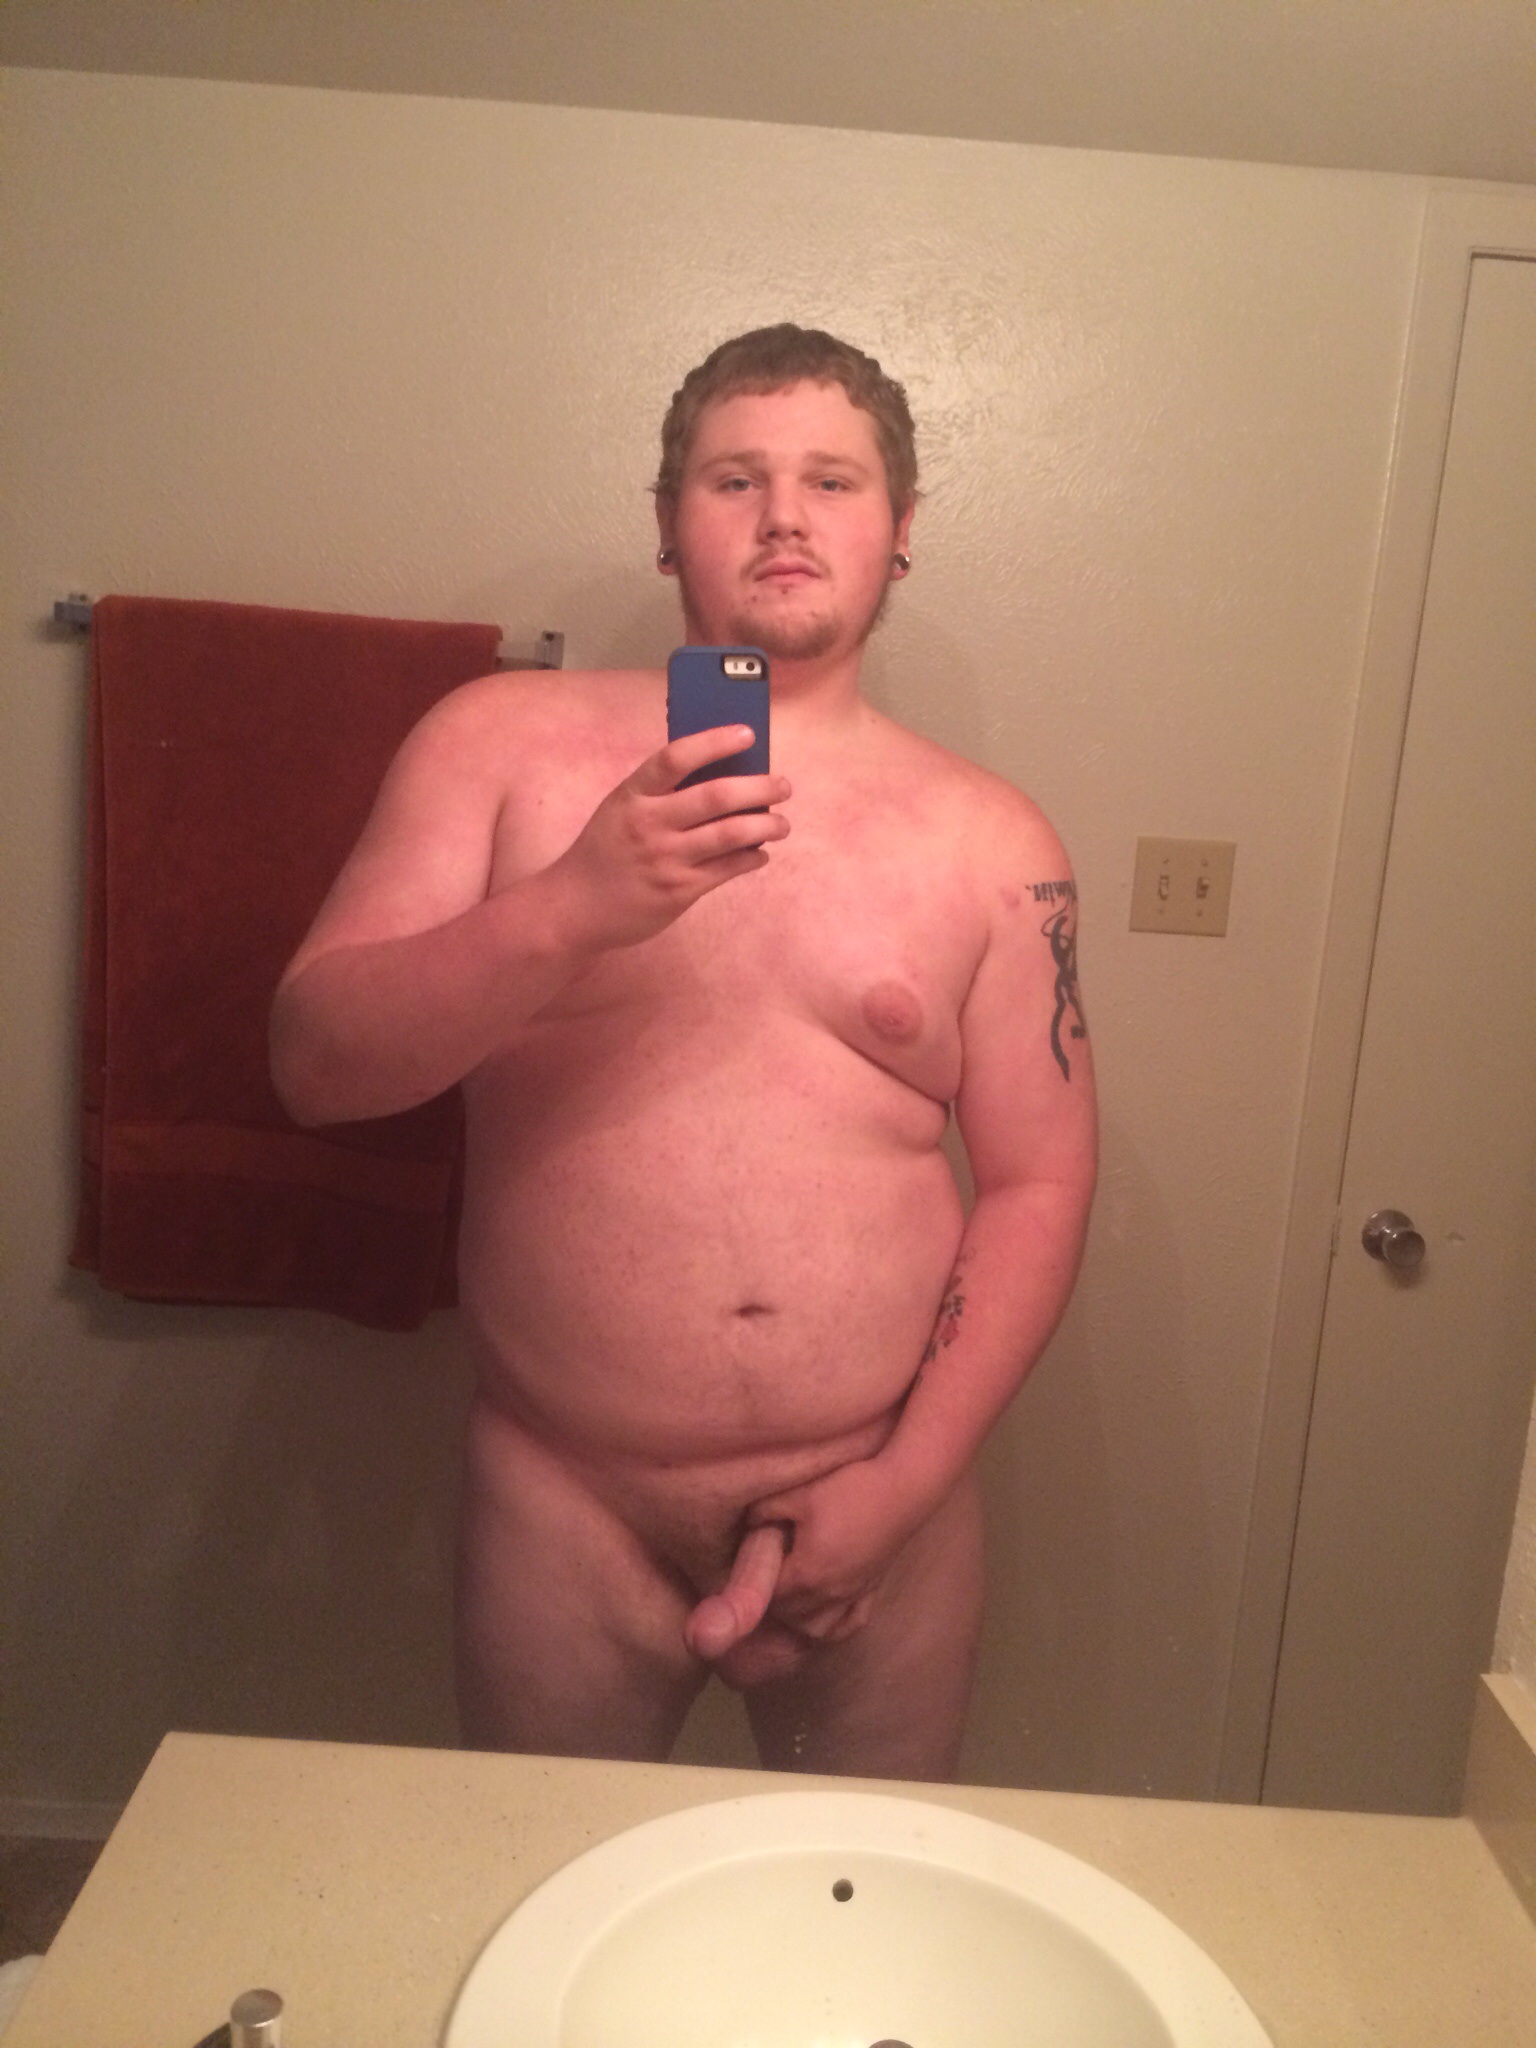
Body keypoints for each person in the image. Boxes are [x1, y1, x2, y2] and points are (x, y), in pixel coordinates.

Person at [270, 324, 1096, 1781]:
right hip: (565, 1495)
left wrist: (903, 1488)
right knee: (555, 1889)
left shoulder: (992, 838)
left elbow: (1038, 1182)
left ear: (900, 530)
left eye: (832, 481)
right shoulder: (498, 745)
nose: (784, 515)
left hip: (882, 1496)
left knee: (860, 1902)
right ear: (668, 524)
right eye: (734, 479)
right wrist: (572, 909)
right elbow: (316, 1066)